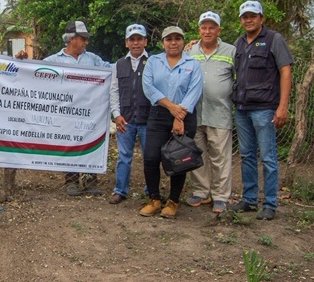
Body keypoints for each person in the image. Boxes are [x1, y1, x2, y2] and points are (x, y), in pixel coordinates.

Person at [229, 0, 293, 220]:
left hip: (265, 109)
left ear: (261, 18)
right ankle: (249, 200)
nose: (249, 19)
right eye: (245, 16)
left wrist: (282, 107)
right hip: (242, 108)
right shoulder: (238, 43)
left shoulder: (274, 39)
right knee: (246, 155)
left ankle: (270, 204)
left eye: (253, 16)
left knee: (268, 157)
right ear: (241, 20)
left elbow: (285, 72)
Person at [43, 21, 112, 196]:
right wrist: (20, 62)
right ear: (71, 39)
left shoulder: (92, 59)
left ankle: (90, 181)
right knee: (70, 143)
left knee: (89, 142)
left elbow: (111, 69)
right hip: (66, 112)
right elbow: (32, 71)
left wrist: (131, 60)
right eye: (83, 39)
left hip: (90, 112)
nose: (86, 42)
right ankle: (71, 181)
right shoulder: (54, 60)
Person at [140, 26, 203, 219]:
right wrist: (171, 108)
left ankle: (173, 201)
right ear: (163, 43)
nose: (173, 42)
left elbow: (195, 91)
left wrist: (179, 116)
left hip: (184, 117)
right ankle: (154, 200)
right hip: (159, 114)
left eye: (177, 38)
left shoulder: (193, 64)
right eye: (169, 39)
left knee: (179, 158)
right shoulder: (153, 61)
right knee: (150, 157)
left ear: (183, 42)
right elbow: (149, 87)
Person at [186, 12, 236, 214]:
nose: (207, 31)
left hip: (219, 113)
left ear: (219, 30)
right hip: (195, 113)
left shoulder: (231, 51)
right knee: (197, 155)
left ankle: (221, 196)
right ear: (199, 30)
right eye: (204, 27)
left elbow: (240, 78)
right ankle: (200, 192)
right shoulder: (190, 51)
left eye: (212, 27)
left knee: (220, 157)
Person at [108, 24, 150, 204]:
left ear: (145, 41)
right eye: (132, 39)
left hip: (148, 119)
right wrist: (117, 115)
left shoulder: (154, 62)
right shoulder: (118, 65)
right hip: (125, 119)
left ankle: (152, 191)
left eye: (139, 39)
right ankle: (120, 190)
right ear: (126, 43)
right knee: (124, 156)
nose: (136, 43)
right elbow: (114, 91)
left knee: (150, 157)